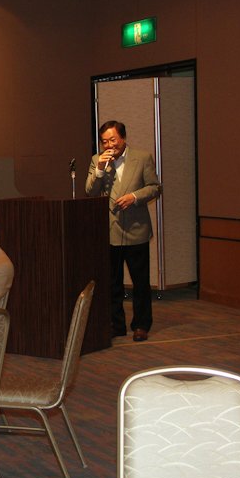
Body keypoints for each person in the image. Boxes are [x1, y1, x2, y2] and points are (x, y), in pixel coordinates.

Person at [85, 120, 161, 342]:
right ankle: (115, 325)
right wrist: (100, 169)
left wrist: (134, 197)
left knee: (140, 282)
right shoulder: (97, 160)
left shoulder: (142, 158)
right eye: (104, 141)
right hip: (110, 231)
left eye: (113, 140)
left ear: (123, 138)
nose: (109, 145)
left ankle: (141, 325)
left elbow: (155, 187)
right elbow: (90, 191)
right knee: (112, 282)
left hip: (136, 229)